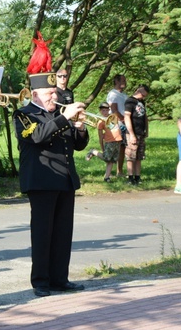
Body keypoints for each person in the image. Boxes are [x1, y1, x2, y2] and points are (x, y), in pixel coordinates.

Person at [13, 33, 88, 298]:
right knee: (42, 232)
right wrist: (64, 119)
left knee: (63, 232)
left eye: (55, 92)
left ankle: (60, 278)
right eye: (49, 93)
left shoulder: (59, 113)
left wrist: (79, 127)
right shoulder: (23, 114)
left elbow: (77, 146)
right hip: (41, 181)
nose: (54, 97)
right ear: (35, 93)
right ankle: (41, 281)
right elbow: (36, 136)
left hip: (65, 179)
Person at [84, 102, 122, 182]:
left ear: (109, 110)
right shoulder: (100, 122)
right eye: (103, 111)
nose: (105, 112)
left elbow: (117, 127)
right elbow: (100, 136)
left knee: (112, 160)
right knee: (106, 158)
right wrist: (102, 147)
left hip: (117, 140)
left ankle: (107, 177)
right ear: (100, 111)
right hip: (109, 141)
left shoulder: (113, 117)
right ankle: (93, 151)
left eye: (106, 110)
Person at [124, 84, 149, 185]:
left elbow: (145, 117)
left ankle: (137, 177)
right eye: (143, 95)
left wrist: (146, 130)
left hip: (141, 132)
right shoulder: (130, 101)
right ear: (138, 91)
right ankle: (130, 177)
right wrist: (131, 134)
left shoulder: (141, 102)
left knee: (139, 156)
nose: (143, 98)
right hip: (132, 133)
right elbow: (127, 117)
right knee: (131, 156)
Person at [106, 74, 128, 177]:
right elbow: (114, 110)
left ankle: (119, 171)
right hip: (116, 124)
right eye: (122, 80)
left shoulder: (124, 95)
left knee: (122, 147)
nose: (124, 82)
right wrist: (124, 120)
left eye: (125, 80)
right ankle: (108, 172)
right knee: (114, 148)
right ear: (116, 81)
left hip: (124, 124)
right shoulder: (113, 94)